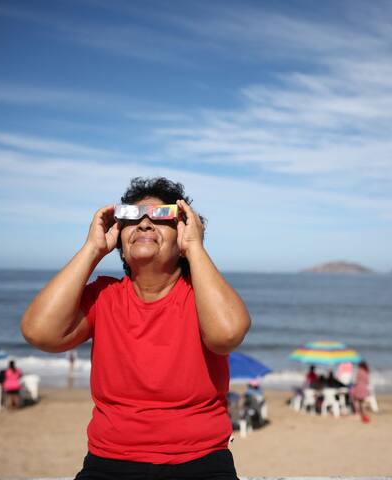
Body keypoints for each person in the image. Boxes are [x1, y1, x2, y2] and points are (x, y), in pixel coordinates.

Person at [21, 177, 251, 479]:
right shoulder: (104, 296)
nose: (144, 224)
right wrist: (92, 249)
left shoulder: (201, 297)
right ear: (119, 237)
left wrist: (196, 249)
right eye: (132, 217)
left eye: (160, 216)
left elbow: (227, 334)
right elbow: (39, 332)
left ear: (183, 232)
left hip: (202, 460)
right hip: (109, 461)